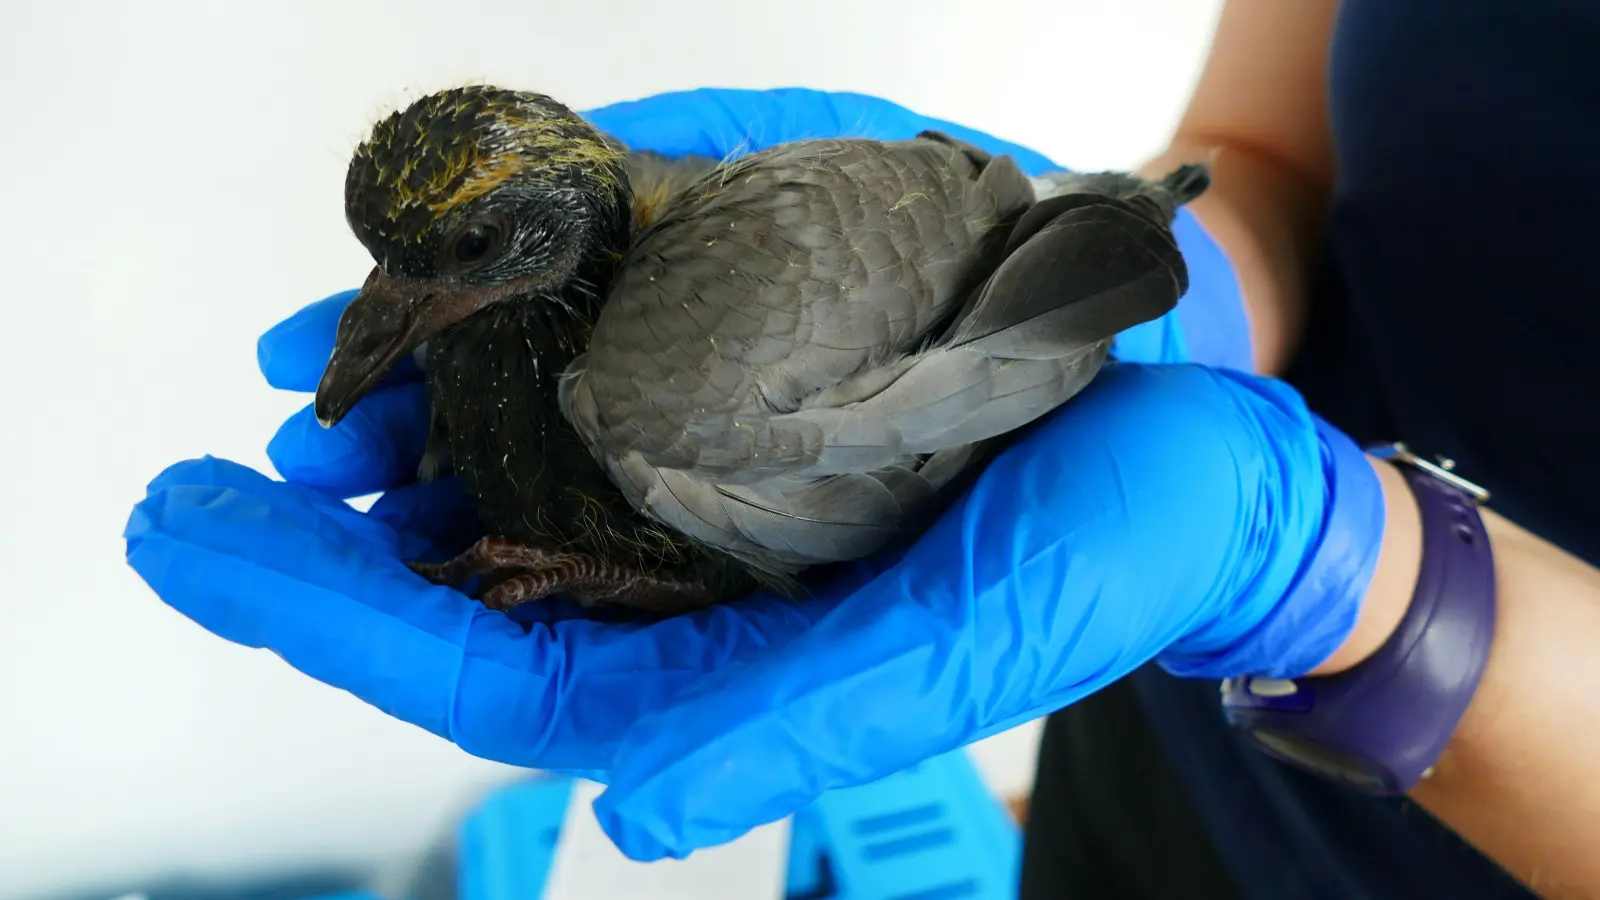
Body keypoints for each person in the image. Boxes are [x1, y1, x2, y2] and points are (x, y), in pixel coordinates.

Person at [123, 0, 1600, 896]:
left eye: (461, 256)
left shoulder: (656, 400)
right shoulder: (543, 347)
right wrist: (1195, 281)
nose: (406, 310)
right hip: (1140, 688)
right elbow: (1276, 152)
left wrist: (1357, 588)